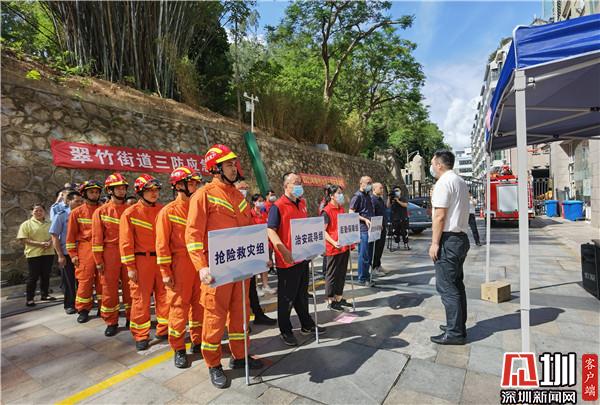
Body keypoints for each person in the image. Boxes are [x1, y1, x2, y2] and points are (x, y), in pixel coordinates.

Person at [186, 144, 264, 389]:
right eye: (229, 165)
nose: (234, 168)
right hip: (217, 271)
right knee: (214, 318)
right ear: (215, 168)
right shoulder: (203, 195)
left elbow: (249, 231)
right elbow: (192, 235)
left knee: (241, 314)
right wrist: (201, 266)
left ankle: (240, 356)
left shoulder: (238, 196)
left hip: (240, 268)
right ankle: (213, 364)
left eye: (234, 164)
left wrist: (260, 256)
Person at [268, 172, 324, 347]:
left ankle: (306, 324)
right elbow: (270, 230)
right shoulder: (277, 206)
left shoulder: (302, 203)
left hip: (302, 258)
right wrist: (282, 250)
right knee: (286, 298)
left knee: (301, 294)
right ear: (286, 186)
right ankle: (285, 330)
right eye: (296, 183)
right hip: (287, 260)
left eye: (301, 183)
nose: (300, 186)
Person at [156, 167, 205, 368]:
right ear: (178, 186)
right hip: (180, 265)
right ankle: (178, 348)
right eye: (190, 183)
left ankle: (198, 340)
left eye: (195, 183)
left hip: (199, 263)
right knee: (178, 308)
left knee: (200, 305)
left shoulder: (200, 207)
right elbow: (161, 245)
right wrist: (165, 272)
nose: (194, 186)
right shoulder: (168, 211)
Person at [119, 174, 167, 351]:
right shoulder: (130, 213)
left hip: (161, 260)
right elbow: (126, 243)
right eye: (149, 190)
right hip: (141, 261)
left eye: (156, 190)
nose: (154, 193)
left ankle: (164, 329)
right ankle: (141, 335)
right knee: (141, 299)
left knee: (164, 296)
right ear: (140, 192)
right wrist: (130, 268)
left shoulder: (163, 210)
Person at [428, 150, 470, 345]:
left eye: (432, 164)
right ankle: (457, 325)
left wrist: (435, 243)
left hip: (448, 240)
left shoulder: (444, 182)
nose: (431, 167)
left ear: (439, 165)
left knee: (446, 286)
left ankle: (455, 333)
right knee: (456, 284)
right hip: (460, 238)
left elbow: (440, 216)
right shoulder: (459, 181)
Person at [91, 173, 132, 337]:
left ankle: (132, 317)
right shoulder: (101, 212)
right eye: (118, 188)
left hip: (128, 252)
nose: (122, 191)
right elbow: (96, 238)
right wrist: (98, 260)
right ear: (109, 190)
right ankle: (111, 321)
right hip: (110, 253)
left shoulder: (131, 209)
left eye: (123, 188)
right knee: (109, 289)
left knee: (131, 287)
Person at [66, 180, 103, 323]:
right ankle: (83, 310)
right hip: (85, 249)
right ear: (84, 194)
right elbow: (70, 236)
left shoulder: (104, 209)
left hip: (103, 249)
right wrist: (73, 255)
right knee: (85, 281)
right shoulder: (76, 213)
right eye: (91, 192)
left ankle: (104, 307)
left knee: (103, 281)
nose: (95, 194)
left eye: (97, 192)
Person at [50, 191, 83, 314]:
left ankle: (82, 302)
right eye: (77, 201)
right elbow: (54, 236)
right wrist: (60, 255)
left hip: (82, 253)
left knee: (82, 280)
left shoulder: (83, 215)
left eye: (81, 201)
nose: (80, 203)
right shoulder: (61, 215)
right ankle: (69, 304)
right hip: (67, 254)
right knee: (69, 281)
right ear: (68, 201)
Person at [17, 204, 56, 307]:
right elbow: (23, 239)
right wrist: (40, 244)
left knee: (46, 275)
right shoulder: (26, 224)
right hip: (33, 254)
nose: (38, 212)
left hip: (48, 253)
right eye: (36, 211)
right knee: (33, 277)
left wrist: (50, 242)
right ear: (31, 212)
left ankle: (45, 295)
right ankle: (30, 299)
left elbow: (55, 235)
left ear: (44, 212)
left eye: (41, 210)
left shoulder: (50, 223)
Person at [321, 185, 352, 312]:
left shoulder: (341, 209)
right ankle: (330, 300)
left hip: (343, 246)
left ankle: (339, 297)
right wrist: (333, 242)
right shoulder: (326, 211)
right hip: (333, 248)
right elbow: (323, 231)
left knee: (341, 273)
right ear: (331, 196)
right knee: (332, 274)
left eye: (341, 193)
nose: (341, 195)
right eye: (338, 193)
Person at [248, 192, 276, 295]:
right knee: (255, 266)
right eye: (259, 201)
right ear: (254, 202)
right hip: (255, 244)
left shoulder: (265, 214)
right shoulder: (250, 214)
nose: (261, 203)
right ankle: (256, 286)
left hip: (265, 243)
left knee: (265, 265)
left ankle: (265, 285)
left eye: (262, 201)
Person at [349, 176, 375, 286]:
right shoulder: (357, 196)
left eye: (371, 183)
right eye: (368, 183)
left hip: (370, 229)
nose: (370, 185)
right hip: (363, 229)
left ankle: (366, 275)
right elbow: (351, 213)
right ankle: (362, 278)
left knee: (368, 254)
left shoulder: (368, 195)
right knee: (363, 254)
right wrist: (364, 219)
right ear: (361, 183)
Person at [370, 182, 390, 275]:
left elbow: (385, 208)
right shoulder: (372, 200)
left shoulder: (380, 199)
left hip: (383, 227)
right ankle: (373, 268)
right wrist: (377, 224)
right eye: (380, 188)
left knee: (380, 247)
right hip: (377, 227)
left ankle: (378, 265)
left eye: (382, 188)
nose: (382, 190)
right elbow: (372, 214)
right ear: (374, 189)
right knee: (376, 248)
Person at [389, 185, 410, 250]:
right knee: (396, 233)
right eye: (395, 191)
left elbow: (405, 205)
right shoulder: (392, 198)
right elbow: (387, 206)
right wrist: (389, 198)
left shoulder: (403, 198)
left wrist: (398, 201)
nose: (396, 192)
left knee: (404, 233)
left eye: (397, 190)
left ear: (400, 191)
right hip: (395, 219)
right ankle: (397, 244)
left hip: (403, 218)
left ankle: (406, 245)